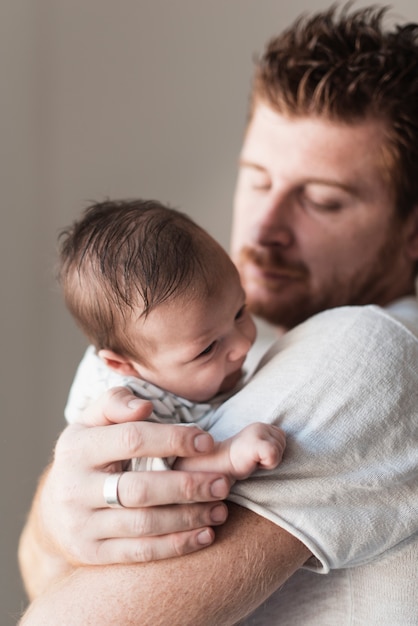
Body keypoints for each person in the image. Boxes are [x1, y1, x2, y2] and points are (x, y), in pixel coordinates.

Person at [18, 4, 418, 624]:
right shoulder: (233, 360)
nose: (263, 230)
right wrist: (54, 525)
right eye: (257, 180)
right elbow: (43, 575)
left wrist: (56, 534)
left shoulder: (370, 347)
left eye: (322, 200)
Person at [59, 198, 285, 478]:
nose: (242, 346)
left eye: (239, 312)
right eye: (207, 349)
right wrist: (228, 455)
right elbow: (152, 472)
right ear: (124, 365)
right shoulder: (129, 404)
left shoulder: (169, 358)